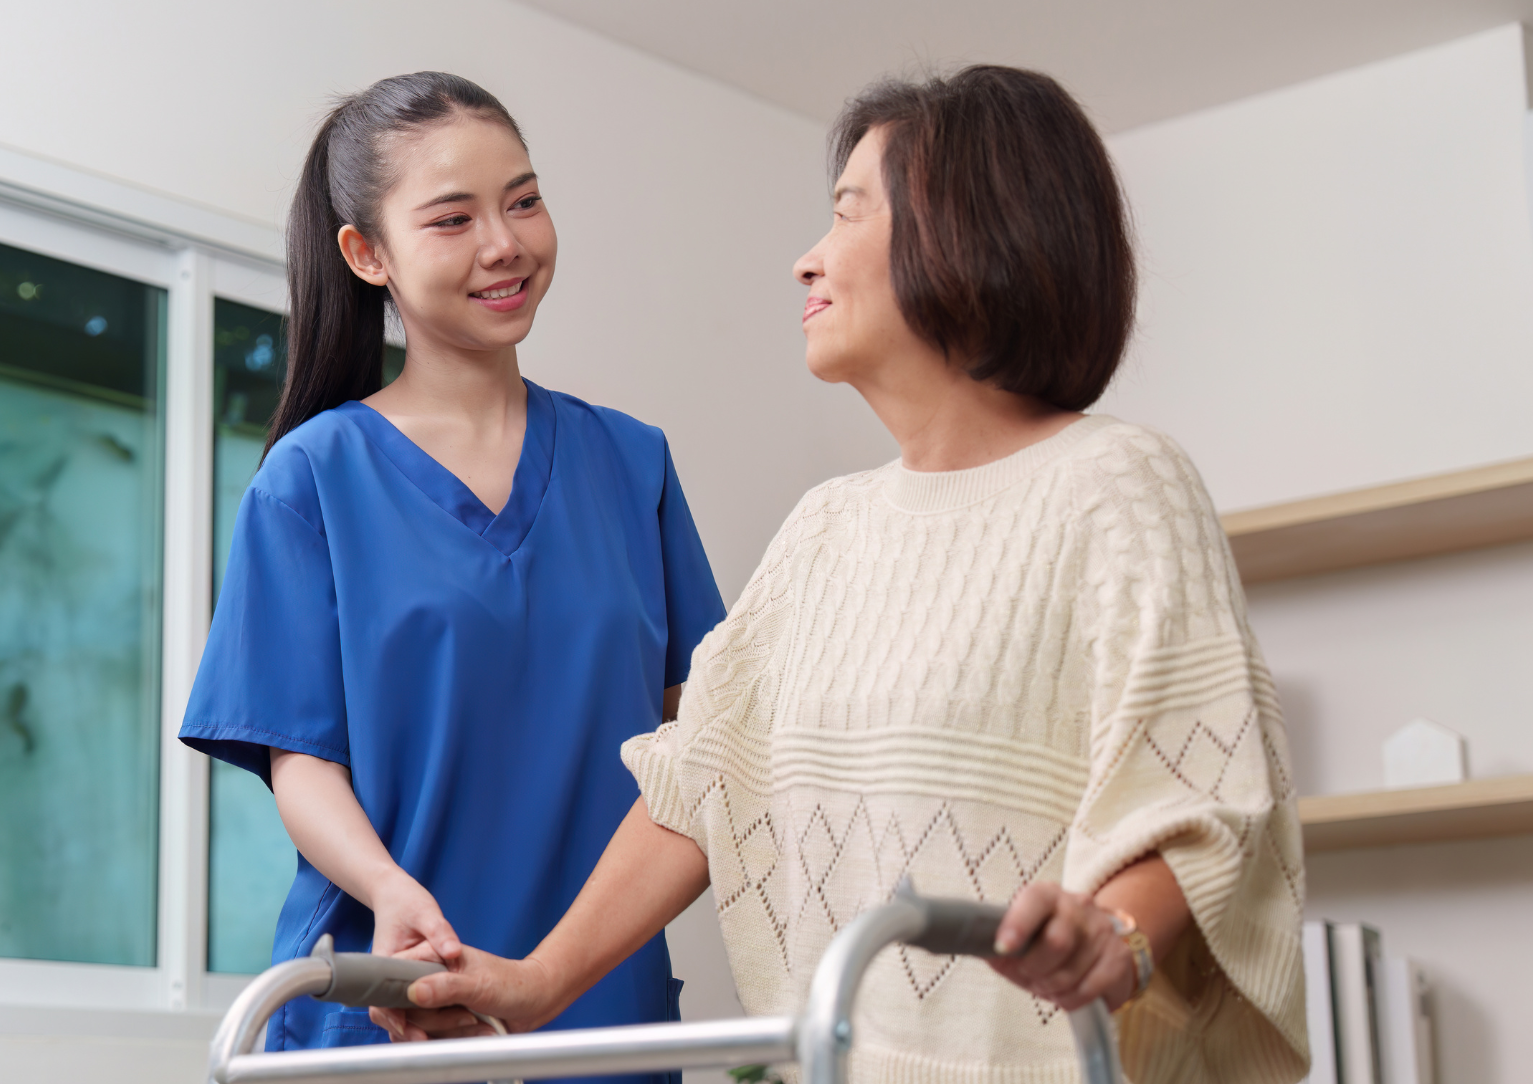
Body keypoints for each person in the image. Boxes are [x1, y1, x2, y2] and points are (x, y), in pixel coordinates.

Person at [392, 67, 1310, 1084]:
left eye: (845, 215)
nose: (806, 261)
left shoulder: (1117, 487)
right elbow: (704, 782)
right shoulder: (826, 528)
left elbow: (1200, 788)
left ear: (964, 232)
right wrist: (532, 987)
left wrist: (1112, 937)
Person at [178, 72, 725, 1072]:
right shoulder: (313, 480)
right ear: (366, 254)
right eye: (452, 218)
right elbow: (299, 757)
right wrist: (388, 889)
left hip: (602, 1009)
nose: (504, 242)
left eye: (522, 199)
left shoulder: (632, 465)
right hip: (389, 999)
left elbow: (705, 751)